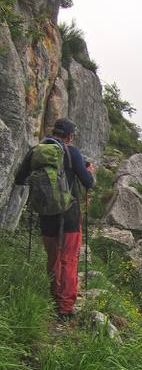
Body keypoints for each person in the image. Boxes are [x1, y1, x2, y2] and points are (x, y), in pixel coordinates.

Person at [15, 118, 95, 320]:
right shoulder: (71, 152)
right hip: (69, 214)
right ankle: (65, 308)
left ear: (53, 132)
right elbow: (88, 182)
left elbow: (19, 179)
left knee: (53, 257)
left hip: (46, 214)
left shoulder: (37, 151)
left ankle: (54, 296)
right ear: (69, 136)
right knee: (68, 259)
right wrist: (89, 171)